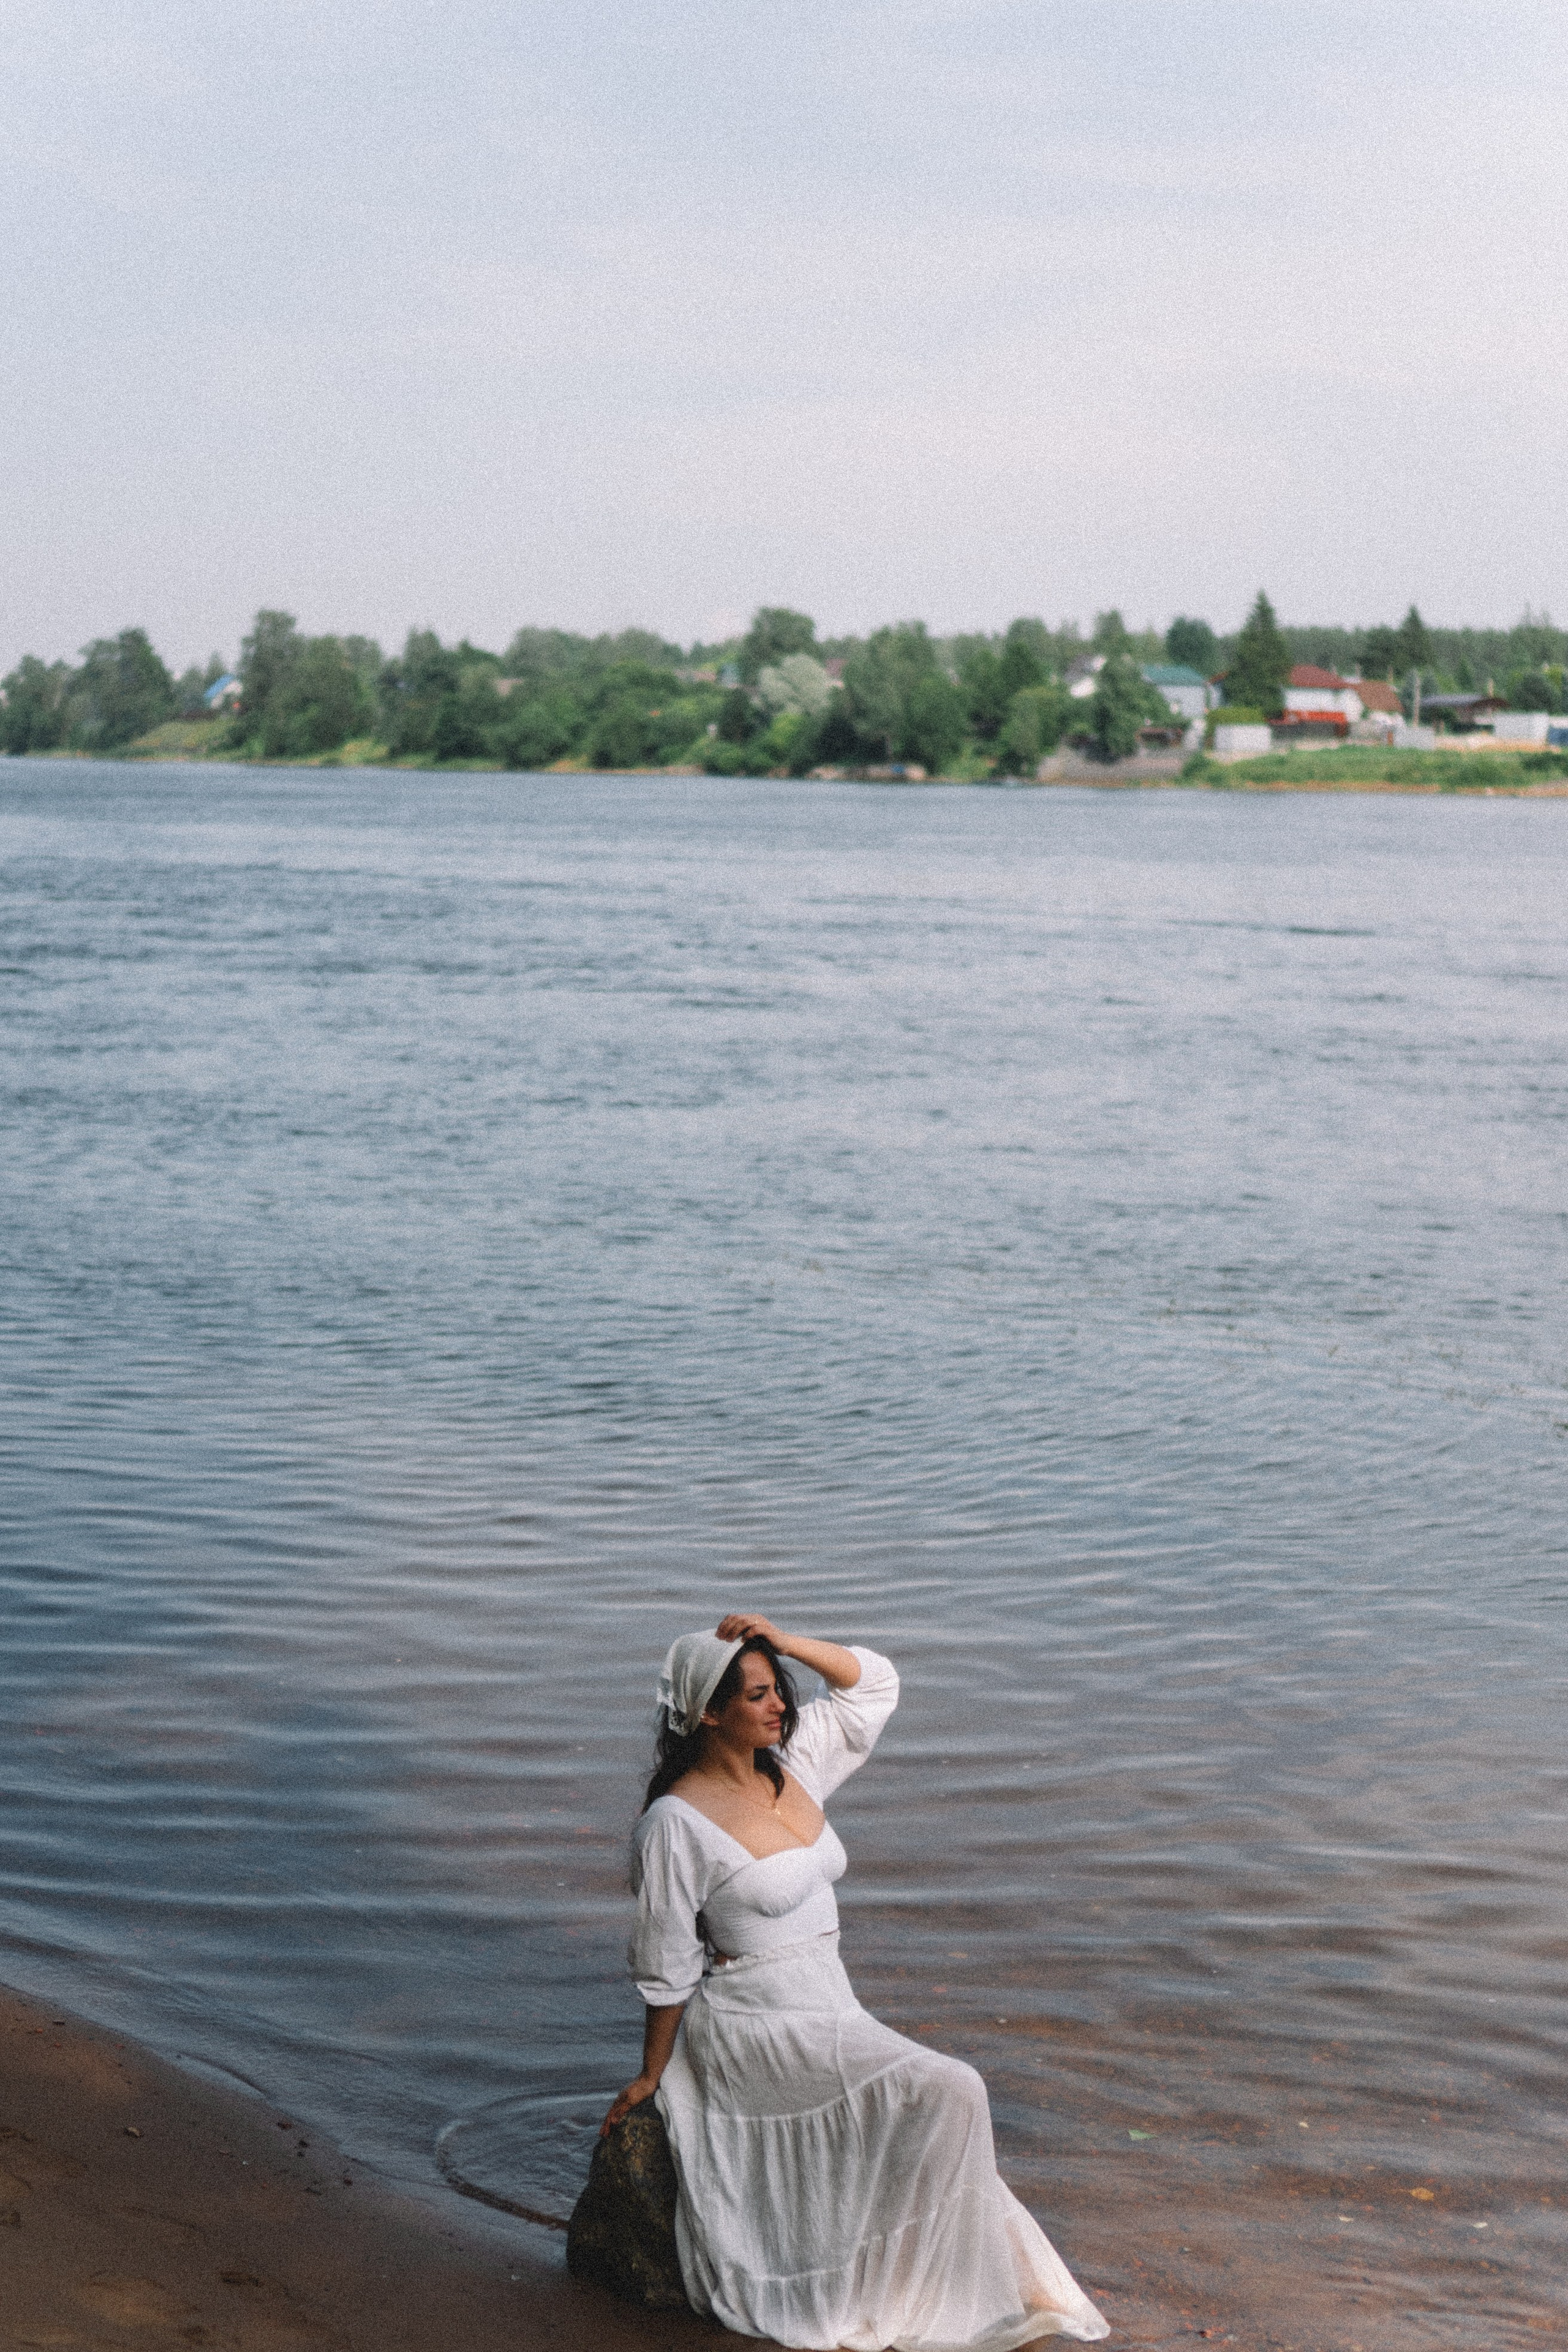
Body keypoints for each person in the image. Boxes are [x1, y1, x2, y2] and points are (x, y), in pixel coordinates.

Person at [603, 1612, 1109, 2351]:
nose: (781, 1704)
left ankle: (927, 2278)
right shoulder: (674, 1825)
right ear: (707, 1714)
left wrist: (779, 1639)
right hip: (756, 2022)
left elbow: (874, 1684)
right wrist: (654, 2073)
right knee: (954, 2086)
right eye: (757, 1695)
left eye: (779, 1688)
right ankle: (921, 2286)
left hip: (832, 2004)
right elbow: (665, 1961)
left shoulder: (795, 1766)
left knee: (937, 2099)